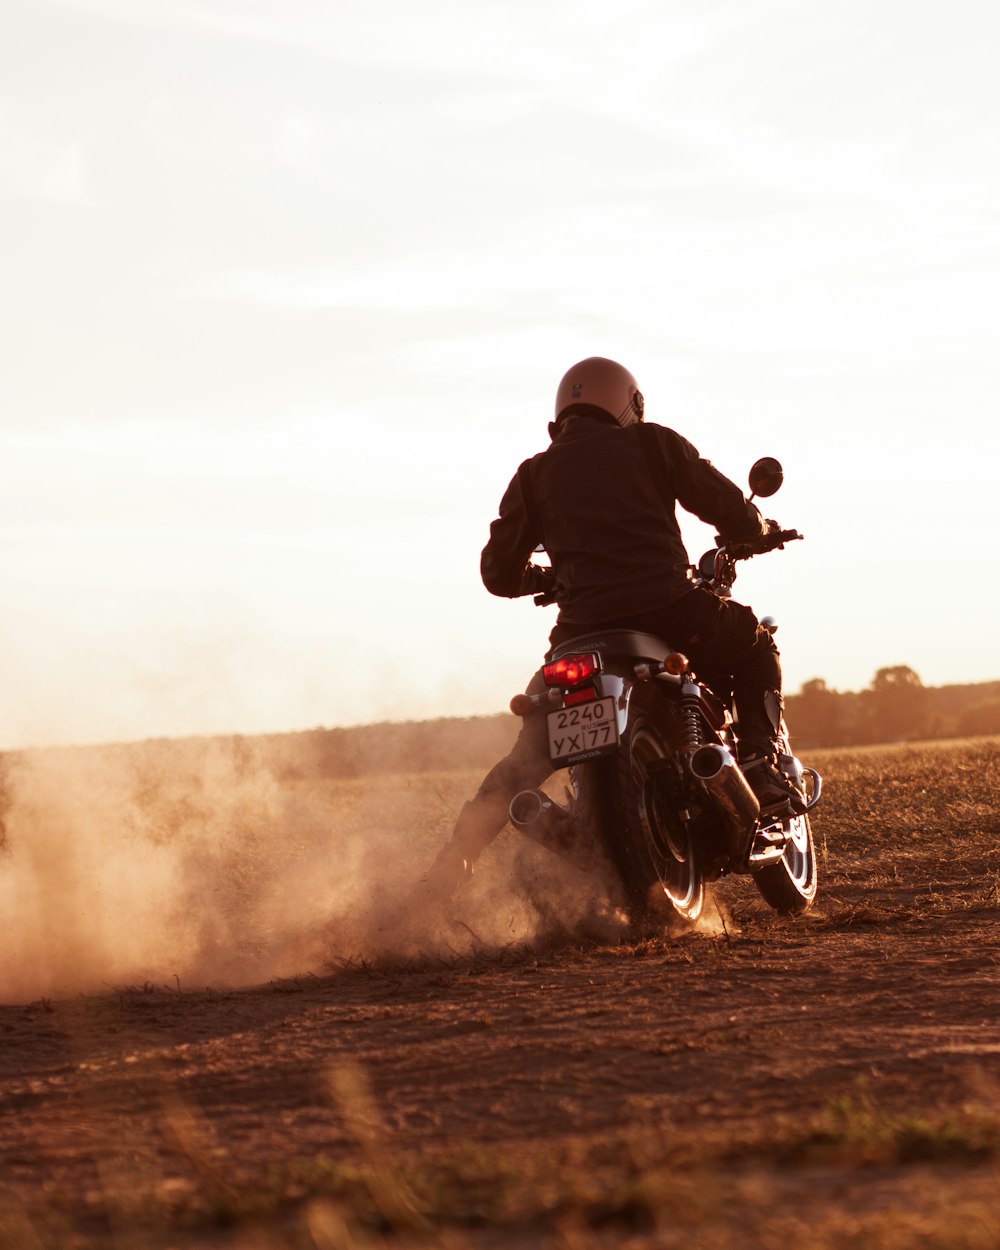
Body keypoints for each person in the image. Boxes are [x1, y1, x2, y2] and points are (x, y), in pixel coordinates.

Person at [424, 356, 804, 893]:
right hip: (670, 610)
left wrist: (546, 580)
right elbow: (724, 504)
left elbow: (497, 573)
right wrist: (757, 525)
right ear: (629, 406)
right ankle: (762, 768)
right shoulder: (653, 444)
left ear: (562, 419)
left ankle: (452, 861)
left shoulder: (534, 475)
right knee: (756, 645)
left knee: (526, 757)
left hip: (579, 634)